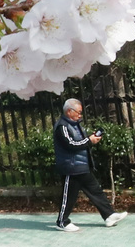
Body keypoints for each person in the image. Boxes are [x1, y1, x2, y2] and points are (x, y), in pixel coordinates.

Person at [53, 99, 129, 232]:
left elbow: (80, 142)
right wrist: (90, 140)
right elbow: (70, 145)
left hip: (81, 166)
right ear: (69, 111)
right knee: (69, 196)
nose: (80, 115)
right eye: (79, 112)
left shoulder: (75, 124)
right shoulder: (62, 126)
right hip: (70, 168)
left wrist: (90, 139)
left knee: (96, 191)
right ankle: (62, 222)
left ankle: (109, 215)